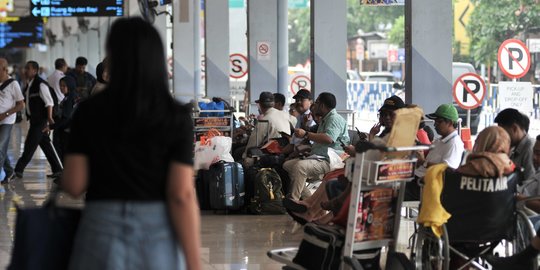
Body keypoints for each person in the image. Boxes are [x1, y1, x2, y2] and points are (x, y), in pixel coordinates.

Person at [62, 18, 201, 270]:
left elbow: (74, 183)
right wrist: (194, 263)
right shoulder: (175, 115)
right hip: (157, 232)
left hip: (99, 229)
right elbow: (181, 194)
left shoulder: (89, 112)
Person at [283, 92, 350, 201]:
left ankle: (293, 200)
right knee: (288, 165)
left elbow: (328, 138)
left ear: (322, 105)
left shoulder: (334, 119)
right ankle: (309, 201)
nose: (314, 105)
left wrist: (305, 134)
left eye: (317, 103)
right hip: (319, 157)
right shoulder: (325, 119)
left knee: (299, 167)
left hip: (331, 160)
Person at [14, 61, 63, 179]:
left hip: (40, 121)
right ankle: (58, 169)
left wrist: (50, 118)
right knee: (46, 145)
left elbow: (49, 102)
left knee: (30, 145)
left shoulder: (40, 84)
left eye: (28, 68)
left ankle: (18, 170)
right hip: (34, 120)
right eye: (25, 68)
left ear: (35, 71)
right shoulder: (30, 85)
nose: (25, 70)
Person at [406, 103, 464, 201]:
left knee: (391, 193)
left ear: (449, 123)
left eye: (439, 121)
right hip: (416, 179)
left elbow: (447, 171)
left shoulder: (454, 144)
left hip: (425, 186)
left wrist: (423, 162)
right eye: (435, 121)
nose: (435, 124)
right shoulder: (440, 140)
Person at [242, 92, 291, 165]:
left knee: (240, 154)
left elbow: (254, 141)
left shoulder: (264, 120)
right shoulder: (286, 115)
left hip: (269, 154)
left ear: (260, 105)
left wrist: (245, 156)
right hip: (286, 151)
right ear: (273, 104)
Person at [494, 108, 534, 185]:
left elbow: (530, 183)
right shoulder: (513, 148)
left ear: (514, 128)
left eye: (503, 132)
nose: (502, 137)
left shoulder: (530, 148)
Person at [0, 58, 24, 184]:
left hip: (7, 121)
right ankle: (10, 172)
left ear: (4, 69)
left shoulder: (13, 84)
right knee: (1, 149)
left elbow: (21, 104)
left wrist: (5, 114)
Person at [46, 76, 78, 164]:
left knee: (63, 152)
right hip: (65, 129)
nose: (61, 88)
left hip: (66, 130)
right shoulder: (68, 97)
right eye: (60, 86)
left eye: (64, 86)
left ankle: (62, 173)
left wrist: (51, 127)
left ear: (70, 86)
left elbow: (66, 117)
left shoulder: (70, 98)